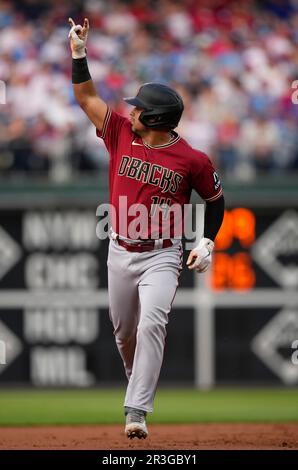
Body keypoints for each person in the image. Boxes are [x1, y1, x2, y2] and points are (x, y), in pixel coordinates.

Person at [68, 17, 224, 440]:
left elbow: (215, 201)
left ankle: (136, 410)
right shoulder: (119, 133)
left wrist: (206, 242)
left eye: (138, 107)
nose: (130, 110)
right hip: (119, 249)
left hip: (162, 252)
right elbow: (85, 97)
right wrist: (79, 53)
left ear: (154, 117)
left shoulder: (192, 160)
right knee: (124, 334)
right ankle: (137, 381)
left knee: (153, 323)